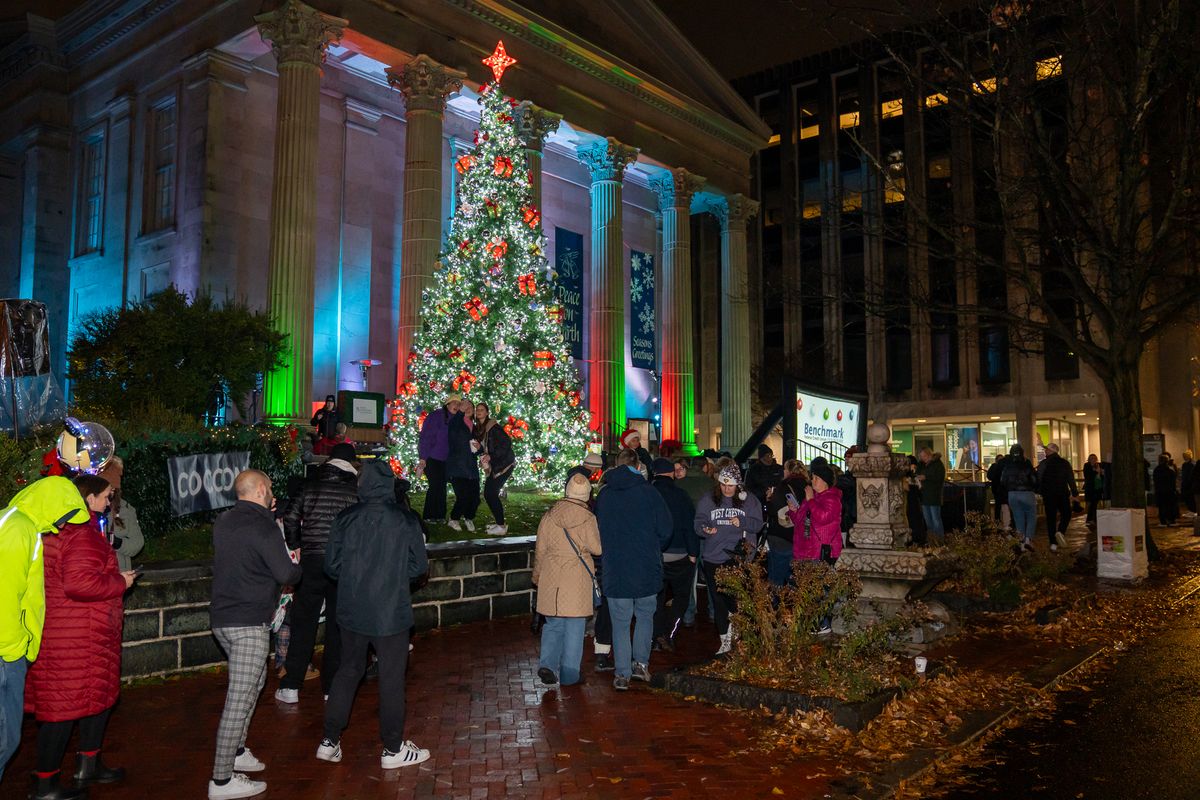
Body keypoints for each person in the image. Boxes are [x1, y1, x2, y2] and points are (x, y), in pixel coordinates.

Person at [25, 474, 137, 800]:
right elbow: (79, 584)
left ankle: (89, 766)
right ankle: (45, 785)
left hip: (73, 634)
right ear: (88, 499)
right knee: (62, 712)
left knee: (94, 702)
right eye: (105, 496)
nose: (108, 502)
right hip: (77, 638)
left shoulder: (57, 529)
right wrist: (120, 582)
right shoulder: (81, 533)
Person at [318, 460, 430, 770]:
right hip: (390, 612)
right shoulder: (405, 520)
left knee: (348, 671)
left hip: (354, 609)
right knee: (391, 680)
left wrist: (356, 577)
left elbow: (331, 565)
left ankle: (329, 740)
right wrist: (394, 577)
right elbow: (419, 566)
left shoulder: (345, 519)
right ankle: (392, 749)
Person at [208, 470, 302, 800]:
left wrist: (268, 513)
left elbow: (248, 551)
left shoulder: (224, 521)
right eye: (271, 487)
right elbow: (285, 572)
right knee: (238, 699)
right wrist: (297, 563)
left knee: (255, 684)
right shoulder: (262, 526)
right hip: (248, 622)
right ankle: (221, 780)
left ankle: (237, 752)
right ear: (262, 489)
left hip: (222, 619)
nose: (273, 491)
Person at [0, 478, 88, 784]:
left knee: (8, 740)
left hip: (9, 650)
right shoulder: (18, 529)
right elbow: (7, 594)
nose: (61, 525)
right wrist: (15, 650)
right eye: (62, 516)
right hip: (5, 652)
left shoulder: (21, 524)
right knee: (5, 741)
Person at [275, 442, 359, 704]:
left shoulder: (309, 484)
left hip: (310, 560)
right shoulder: (354, 489)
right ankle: (330, 688)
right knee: (336, 624)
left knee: (303, 622)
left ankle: (291, 685)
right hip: (341, 563)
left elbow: (290, 517)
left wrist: (296, 544)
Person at [593, 449, 672, 690]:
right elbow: (666, 529)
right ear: (638, 466)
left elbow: (597, 530)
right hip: (645, 565)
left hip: (616, 568)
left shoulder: (605, 495)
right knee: (645, 616)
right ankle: (640, 664)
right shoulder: (650, 493)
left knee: (620, 621)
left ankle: (622, 673)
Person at [532, 471, 602, 686]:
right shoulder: (588, 518)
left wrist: (537, 575)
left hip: (552, 575)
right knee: (575, 625)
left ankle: (548, 664)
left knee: (553, 623)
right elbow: (597, 549)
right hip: (577, 577)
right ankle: (570, 674)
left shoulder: (550, 515)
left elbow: (540, 549)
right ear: (586, 494)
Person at [694, 465, 764, 655]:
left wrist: (742, 522)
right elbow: (699, 520)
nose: (726, 489)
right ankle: (724, 639)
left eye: (731, 485)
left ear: (738, 485)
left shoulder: (749, 500)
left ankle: (739, 634)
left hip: (737, 556)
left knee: (733, 598)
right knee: (718, 600)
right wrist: (704, 529)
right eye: (723, 485)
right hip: (712, 556)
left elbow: (758, 524)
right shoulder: (709, 499)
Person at [787, 462, 844, 634]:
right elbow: (800, 521)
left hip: (819, 551)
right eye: (813, 477)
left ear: (825, 481)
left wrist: (811, 500)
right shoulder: (812, 499)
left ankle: (822, 623)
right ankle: (813, 622)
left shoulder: (832, 499)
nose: (812, 481)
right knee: (807, 589)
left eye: (816, 478)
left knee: (818, 589)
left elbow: (822, 517)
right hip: (804, 550)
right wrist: (793, 511)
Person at [650, 458, 698, 651]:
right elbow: (689, 525)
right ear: (671, 473)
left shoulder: (649, 494)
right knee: (681, 596)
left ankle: (654, 636)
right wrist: (693, 552)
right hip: (680, 554)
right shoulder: (681, 495)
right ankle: (669, 633)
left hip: (656, 554)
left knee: (656, 597)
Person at [473, 401, 515, 535]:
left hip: (504, 465)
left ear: (486, 412)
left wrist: (491, 456)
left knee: (490, 493)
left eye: (481, 410)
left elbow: (506, 443)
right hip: (497, 465)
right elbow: (486, 448)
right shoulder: (481, 429)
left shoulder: (493, 427)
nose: (478, 412)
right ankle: (499, 524)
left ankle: (501, 526)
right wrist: (482, 451)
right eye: (477, 410)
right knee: (490, 494)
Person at [765, 460, 809, 586]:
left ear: (788, 471)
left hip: (781, 536)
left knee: (776, 578)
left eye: (785, 469)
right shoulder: (809, 487)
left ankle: (775, 604)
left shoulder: (783, 487)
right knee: (796, 579)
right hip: (801, 537)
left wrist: (769, 499)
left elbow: (774, 510)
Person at [98, 455, 144, 571]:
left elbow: (137, 544)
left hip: (120, 577)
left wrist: (117, 543)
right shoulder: (86, 508)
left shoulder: (125, 509)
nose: (110, 493)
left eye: (113, 490)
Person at [417, 394, 457, 524]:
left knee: (441, 487)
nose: (456, 406)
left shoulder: (457, 420)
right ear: (447, 404)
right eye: (453, 403)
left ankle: (440, 515)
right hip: (432, 458)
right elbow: (426, 437)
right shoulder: (436, 416)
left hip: (447, 460)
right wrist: (423, 458)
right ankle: (429, 515)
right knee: (435, 485)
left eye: (458, 404)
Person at [446, 399, 480, 532]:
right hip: (457, 467)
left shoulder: (474, 426)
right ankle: (453, 519)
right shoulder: (456, 423)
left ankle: (468, 518)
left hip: (471, 468)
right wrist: (460, 412)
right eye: (465, 406)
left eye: (471, 406)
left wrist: (480, 449)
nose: (468, 408)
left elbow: (477, 447)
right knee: (463, 496)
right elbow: (453, 424)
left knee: (475, 498)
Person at [1036, 443, 1077, 550]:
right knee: (1066, 514)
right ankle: (1061, 531)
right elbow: (1070, 479)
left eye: (1047, 450)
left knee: (1051, 518)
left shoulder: (1044, 463)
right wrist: (1075, 492)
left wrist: (1039, 491)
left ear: (1052, 451)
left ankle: (1053, 543)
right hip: (1062, 493)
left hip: (1048, 495)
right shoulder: (1065, 463)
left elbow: (1038, 478)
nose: (1045, 452)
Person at [1001, 444, 1039, 550]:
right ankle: (1028, 539)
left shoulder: (1008, 465)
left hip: (1012, 494)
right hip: (1027, 493)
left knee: (1018, 518)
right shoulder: (1026, 463)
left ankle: (1021, 542)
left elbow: (1003, 480)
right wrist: (1035, 488)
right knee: (1031, 516)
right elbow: (1034, 479)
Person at [916, 448, 946, 544]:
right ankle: (932, 540)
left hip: (934, 495)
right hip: (924, 496)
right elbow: (917, 473)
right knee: (928, 520)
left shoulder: (937, 464)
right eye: (921, 457)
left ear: (929, 455)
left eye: (924, 456)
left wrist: (926, 477)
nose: (922, 458)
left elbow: (939, 477)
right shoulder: (921, 465)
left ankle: (939, 540)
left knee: (936, 519)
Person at [744, 445, 784, 512]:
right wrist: (764, 493)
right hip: (759, 501)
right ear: (761, 457)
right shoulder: (753, 470)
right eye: (766, 456)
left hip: (777, 501)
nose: (769, 458)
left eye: (770, 455)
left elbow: (783, 483)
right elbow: (749, 488)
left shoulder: (778, 468)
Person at [905, 455, 928, 545]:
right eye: (912, 466)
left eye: (915, 466)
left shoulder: (914, 478)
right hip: (909, 505)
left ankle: (918, 539)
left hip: (915, 505)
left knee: (916, 521)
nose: (914, 468)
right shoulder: (906, 478)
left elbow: (920, 489)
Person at [1153, 453, 1180, 527]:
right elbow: (1173, 481)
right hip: (1169, 491)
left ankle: (1163, 522)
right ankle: (1171, 521)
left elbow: (1155, 481)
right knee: (1170, 506)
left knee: (1161, 507)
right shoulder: (1170, 470)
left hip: (1160, 491)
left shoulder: (1156, 470)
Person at [1083, 453, 1104, 527]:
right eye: (1091, 458)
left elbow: (1103, 474)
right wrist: (1096, 471)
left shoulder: (1099, 465)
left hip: (1098, 487)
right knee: (1092, 504)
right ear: (1089, 459)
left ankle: (1091, 519)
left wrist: (1100, 472)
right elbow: (1087, 476)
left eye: (1094, 458)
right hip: (1090, 488)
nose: (1093, 460)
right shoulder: (1087, 465)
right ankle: (1091, 519)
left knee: (1094, 503)